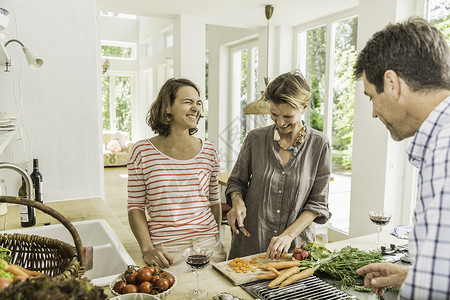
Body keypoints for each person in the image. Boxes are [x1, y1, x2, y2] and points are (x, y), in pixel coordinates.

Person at [353, 17, 450, 299]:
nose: (373, 112)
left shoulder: (444, 151)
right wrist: (411, 275)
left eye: (371, 97)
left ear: (392, 84)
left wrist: (420, 284)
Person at [225, 70, 332, 260]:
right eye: (274, 114)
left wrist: (289, 235)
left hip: (295, 249)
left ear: (304, 107)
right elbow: (236, 182)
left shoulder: (319, 144)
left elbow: (318, 203)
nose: (280, 123)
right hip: (251, 242)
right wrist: (237, 201)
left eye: (288, 117)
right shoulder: (255, 139)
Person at [127, 78, 226, 275]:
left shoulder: (209, 151)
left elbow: (214, 201)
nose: (195, 108)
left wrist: (215, 240)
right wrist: (147, 249)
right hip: (167, 253)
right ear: (168, 107)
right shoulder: (142, 151)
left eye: (198, 103)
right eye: (188, 102)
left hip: (209, 249)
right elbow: (135, 207)